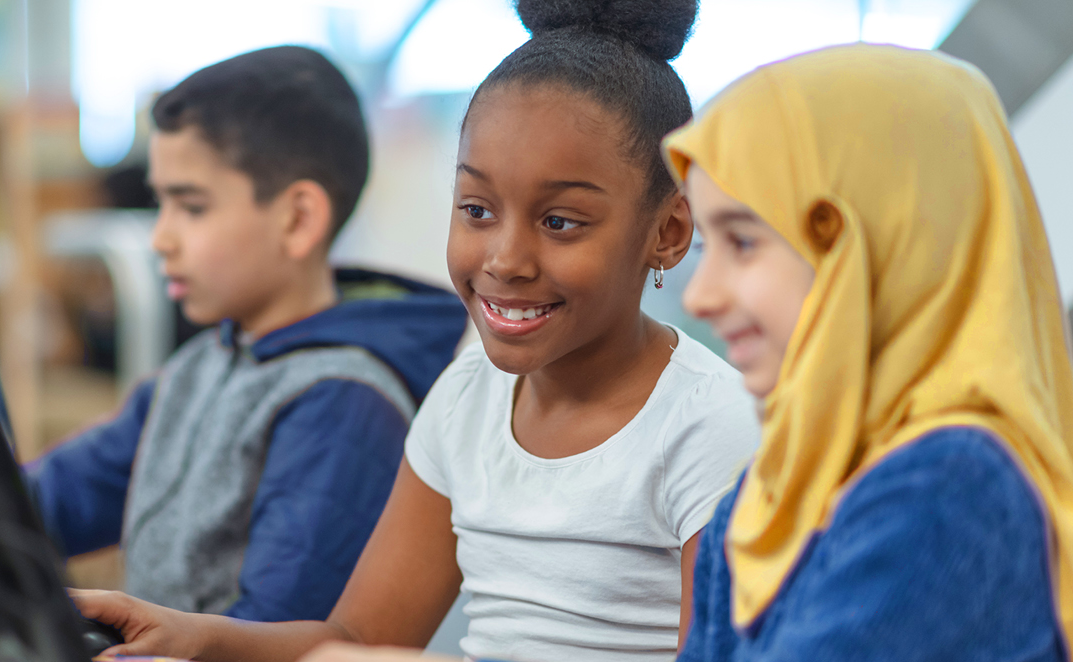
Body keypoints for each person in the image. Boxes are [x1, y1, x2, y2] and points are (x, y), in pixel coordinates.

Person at [71, 2, 758, 661]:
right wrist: (191, 636)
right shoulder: (466, 397)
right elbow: (361, 641)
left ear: (667, 232)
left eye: (560, 222)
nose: (504, 260)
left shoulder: (709, 426)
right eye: (477, 209)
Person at [667, 45, 1073, 660]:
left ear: (872, 245)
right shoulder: (764, 493)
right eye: (709, 247)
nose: (700, 297)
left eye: (744, 241)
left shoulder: (950, 484)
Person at [26, 46, 469, 623]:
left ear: (298, 219)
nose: (161, 238)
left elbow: (269, 637)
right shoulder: (203, 364)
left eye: (191, 207)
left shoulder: (342, 403)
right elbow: (48, 502)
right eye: (161, 203)